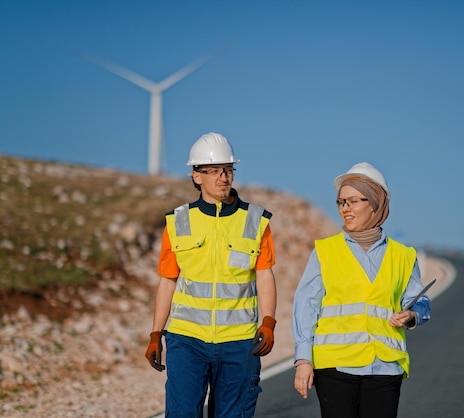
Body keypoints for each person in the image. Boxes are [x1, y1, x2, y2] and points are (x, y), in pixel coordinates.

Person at [144, 132, 277, 418]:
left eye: (228, 170)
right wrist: (156, 333)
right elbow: (168, 280)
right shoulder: (178, 221)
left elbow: (265, 275)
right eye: (214, 171)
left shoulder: (255, 221)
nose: (223, 177)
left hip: (240, 341)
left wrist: (268, 321)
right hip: (186, 340)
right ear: (196, 176)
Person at [292, 162, 431, 418]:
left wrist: (411, 315)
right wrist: (303, 360)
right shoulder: (325, 251)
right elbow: (306, 307)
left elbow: (420, 302)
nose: (345, 209)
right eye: (341, 202)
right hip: (335, 367)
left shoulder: (403, 255)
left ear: (375, 203)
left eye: (353, 201)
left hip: (385, 367)